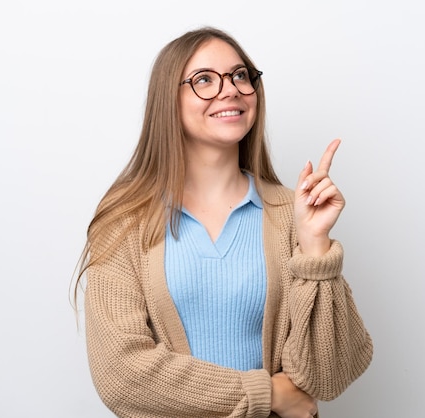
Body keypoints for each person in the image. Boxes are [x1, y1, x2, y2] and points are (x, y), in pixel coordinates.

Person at [72, 26, 373, 418]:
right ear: (169, 101)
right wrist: (266, 393)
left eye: (240, 75)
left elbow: (327, 376)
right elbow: (122, 375)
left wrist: (316, 246)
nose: (230, 90)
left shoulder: (288, 213)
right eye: (204, 80)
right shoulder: (125, 220)